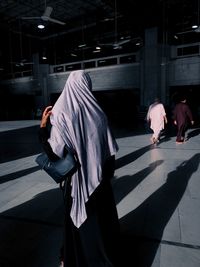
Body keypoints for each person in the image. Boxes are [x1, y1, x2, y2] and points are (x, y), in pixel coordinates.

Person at [38, 70, 120, 267]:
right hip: (100, 181)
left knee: (76, 223)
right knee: (101, 223)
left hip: (75, 182)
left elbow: (54, 153)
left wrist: (42, 128)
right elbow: (109, 152)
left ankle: (71, 257)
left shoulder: (61, 112)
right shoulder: (97, 112)